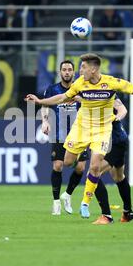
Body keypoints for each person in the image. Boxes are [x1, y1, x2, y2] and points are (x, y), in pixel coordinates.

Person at [25, 53, 133, 221]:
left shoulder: (111, 82)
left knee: (94, 167)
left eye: (83, 67)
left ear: (93, 69)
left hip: (101, 130)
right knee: (67, 162)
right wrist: (40, 102)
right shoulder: (80, 83)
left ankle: (86, 203)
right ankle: (113, 206)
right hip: (81, 128)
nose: (80, 71)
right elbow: (62, 97)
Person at [41, 60, 88, 215]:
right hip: (58, 134)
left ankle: (67, 195)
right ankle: (56, 202)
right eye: (64, 69)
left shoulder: (80, 89)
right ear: (60, 72)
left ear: (73, 73)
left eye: (69, 70)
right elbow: (45, 106)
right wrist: (45, 121)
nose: (67, 72)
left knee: (80, 168)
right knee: (58, 166)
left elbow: (90, 104)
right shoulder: (52, 89)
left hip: (78, 134)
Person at [92, 96, 133, 225]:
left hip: (114, 142)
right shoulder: (83, 93)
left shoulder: (106, 92)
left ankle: (106, 216)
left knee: (94, 173)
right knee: (118, 177)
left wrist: (117, 116)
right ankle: (128, 212)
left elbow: (123, 110)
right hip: (112, 141)